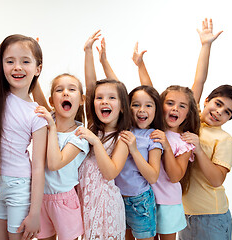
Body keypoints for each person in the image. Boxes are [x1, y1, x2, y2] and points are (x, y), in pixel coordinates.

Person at [0, 1, 47, 240]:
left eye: (25, 61)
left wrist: (35, 213)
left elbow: (38, 167)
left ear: (37, 69)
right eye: (10, 60)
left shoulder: (37, 113)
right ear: (1, 64)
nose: (17, 67)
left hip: (20, 188)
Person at [178, 18, 232, 240]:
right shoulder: (192, 118)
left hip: (211, 216)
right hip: (184, 214)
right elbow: (199, 81)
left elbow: (216, 179)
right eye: (218, 104)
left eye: (227, 112)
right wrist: (206, 46)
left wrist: (198, 149)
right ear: (207, 101)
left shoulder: (224, 139)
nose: (219, 112)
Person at [96, 34, 164, 240]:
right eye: (135, 105)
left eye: (148, 106)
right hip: (115, 198)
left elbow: (152, 176)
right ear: (127, 107)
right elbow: (117, 87)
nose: (141, 110)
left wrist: (134, 150)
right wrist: (104, 61)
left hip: (140, 201)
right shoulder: (124, 127)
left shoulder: (153, 137)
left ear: (155, 109)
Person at [133, 43, 200, 240]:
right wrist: (140, 65)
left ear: (188, 113)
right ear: (159, 106)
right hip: (143, 199)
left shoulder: (184, 141)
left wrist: (166, 145)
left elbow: (175, 176)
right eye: (170, 103)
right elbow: (149, 89)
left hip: (168, 203)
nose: (175, 109)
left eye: (182, 106)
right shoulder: (154, 127)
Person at [75, 30, 132, 240]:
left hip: (106, 206)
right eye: (100, 98)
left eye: (111, 98)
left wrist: (95, 143)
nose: (104, 101)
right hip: (84, 201)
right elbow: (91, 86)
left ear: (123, 106)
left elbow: (110, 173)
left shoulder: (123, 138)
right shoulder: (93, 125)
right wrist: (88, 52)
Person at [34, 73, 89, 240]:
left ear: (81, 99)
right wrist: (36, 67)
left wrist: (51, 128)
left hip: (64, 200)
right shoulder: (49, 119)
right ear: (52, 101)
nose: (65, 93)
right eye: (60, 90)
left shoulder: (79, 135)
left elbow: (54, 163)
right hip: (40, 197)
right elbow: (36, 95)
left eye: (72, 89)